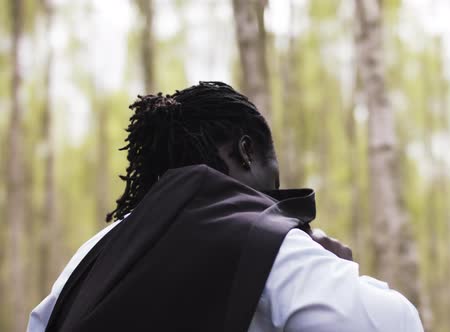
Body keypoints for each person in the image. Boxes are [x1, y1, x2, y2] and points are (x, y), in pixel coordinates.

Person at [27, 81, 424, 332]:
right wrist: (337, 270)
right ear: (246, 151)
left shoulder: (91, 256)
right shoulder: (261, 237)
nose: (271, 201)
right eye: (275, 181)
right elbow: (394, 323)